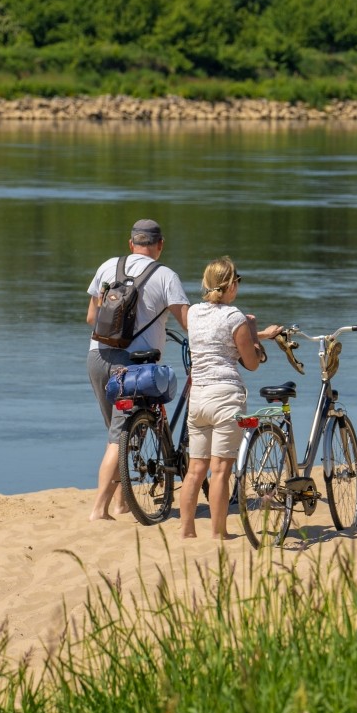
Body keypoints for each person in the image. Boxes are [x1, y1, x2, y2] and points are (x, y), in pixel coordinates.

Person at [85, 219, 189, 521]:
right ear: (160, 245)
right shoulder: (166, 275)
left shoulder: (109, 266)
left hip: (97, 358)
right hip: (134, 368)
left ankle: (121, 504)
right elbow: (188, 323)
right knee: (120, 439)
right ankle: (99, 510)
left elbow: (92, 316)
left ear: (131, 244)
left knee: (119, 435)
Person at [176, 256, 282, 540]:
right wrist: (256, 338)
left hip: (197, 398)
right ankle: (219, 532)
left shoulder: (194, 313)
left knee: (195, 469)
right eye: (237, 280)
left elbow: (213, 338)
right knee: (221, 470)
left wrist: (250, 331)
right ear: (230, 285)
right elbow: (252, 361)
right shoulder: (235, 316)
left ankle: (187, 531)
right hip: (225, 397)